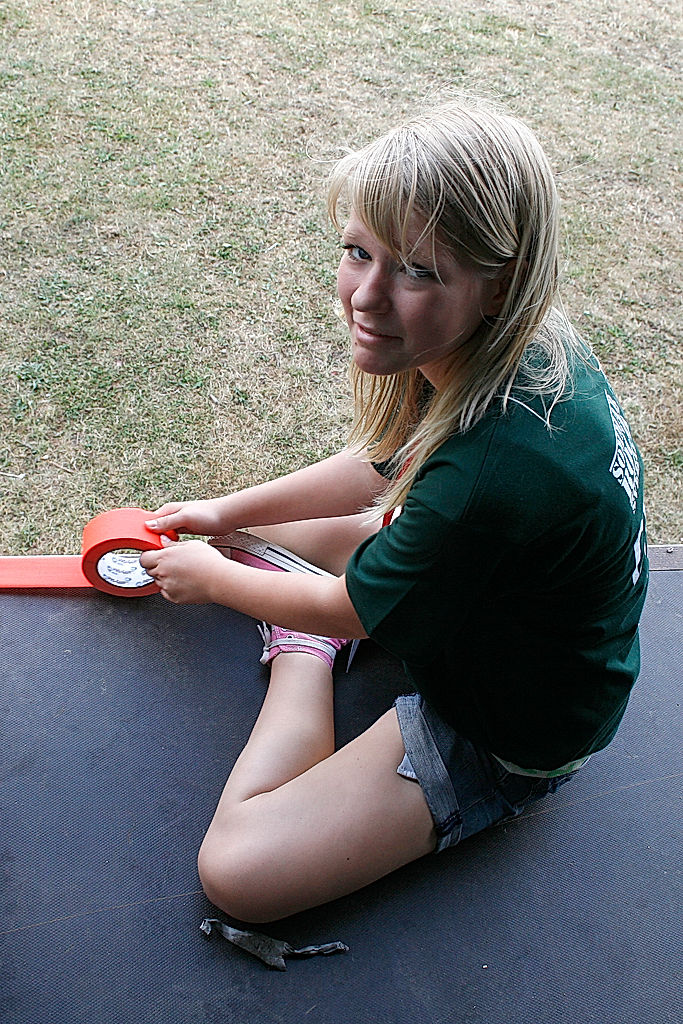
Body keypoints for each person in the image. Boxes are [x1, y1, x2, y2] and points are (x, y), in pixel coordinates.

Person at [140, 96, 648, 924]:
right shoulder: (504, 343)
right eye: (356, 252)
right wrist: (220, 510)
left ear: (499, 284)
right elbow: (380, 462)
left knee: (239, 873)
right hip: (490, 603)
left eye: (417, 270)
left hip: (505, 725)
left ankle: (297, 657)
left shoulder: (494, 471)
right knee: (276, 534)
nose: (365, 297)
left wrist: (216, 581)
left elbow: (352, 610)